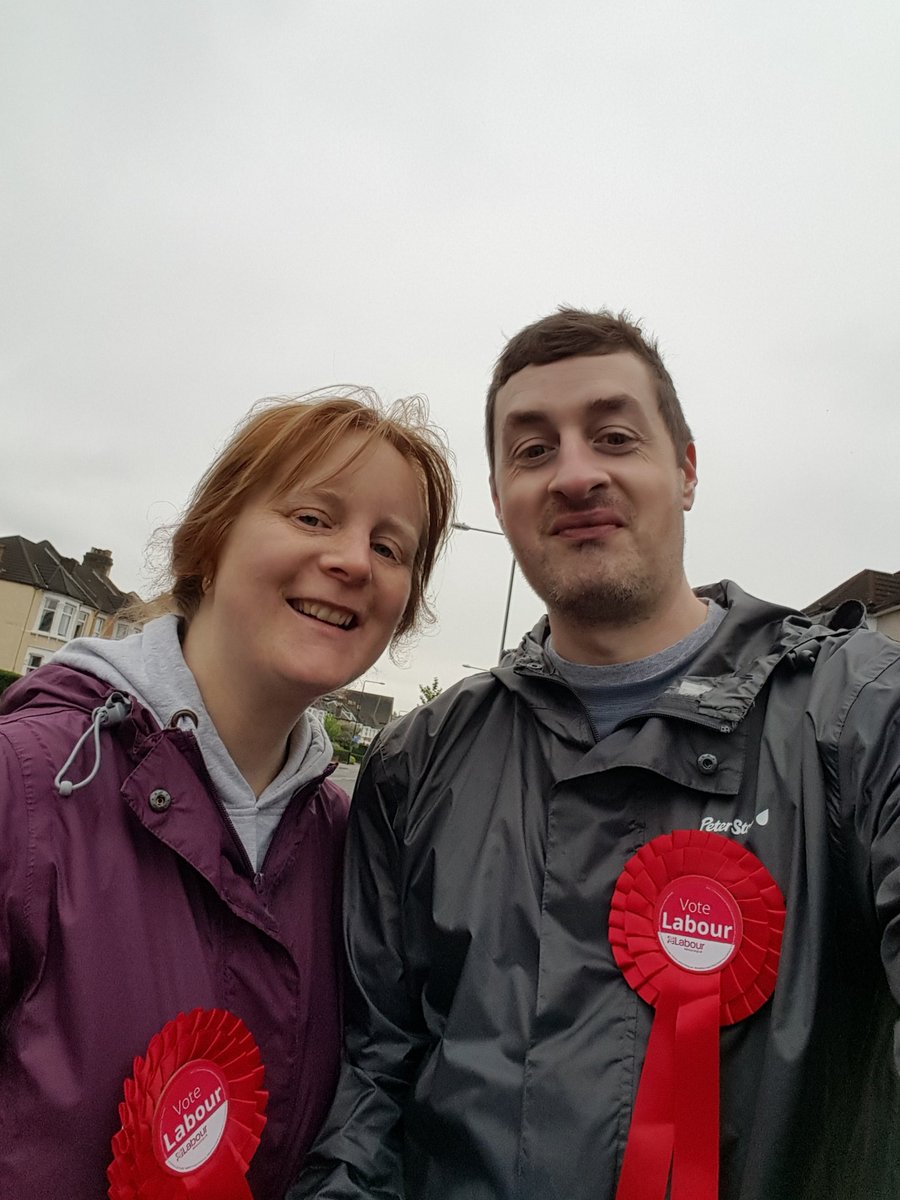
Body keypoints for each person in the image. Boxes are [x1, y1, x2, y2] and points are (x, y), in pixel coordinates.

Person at [291, 311, 900, 1200]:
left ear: (685, 470)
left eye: (613, 435)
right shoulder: (416, 761)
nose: (575, 474)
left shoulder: (856, 713)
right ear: (500, 500)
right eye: (532, 452)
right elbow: (371, 1081)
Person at [0, 389, 454, 1200]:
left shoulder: (346, 842)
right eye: (315, 518)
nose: (354, 561)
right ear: (208, 543)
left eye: (391, 548)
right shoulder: (27, 786)